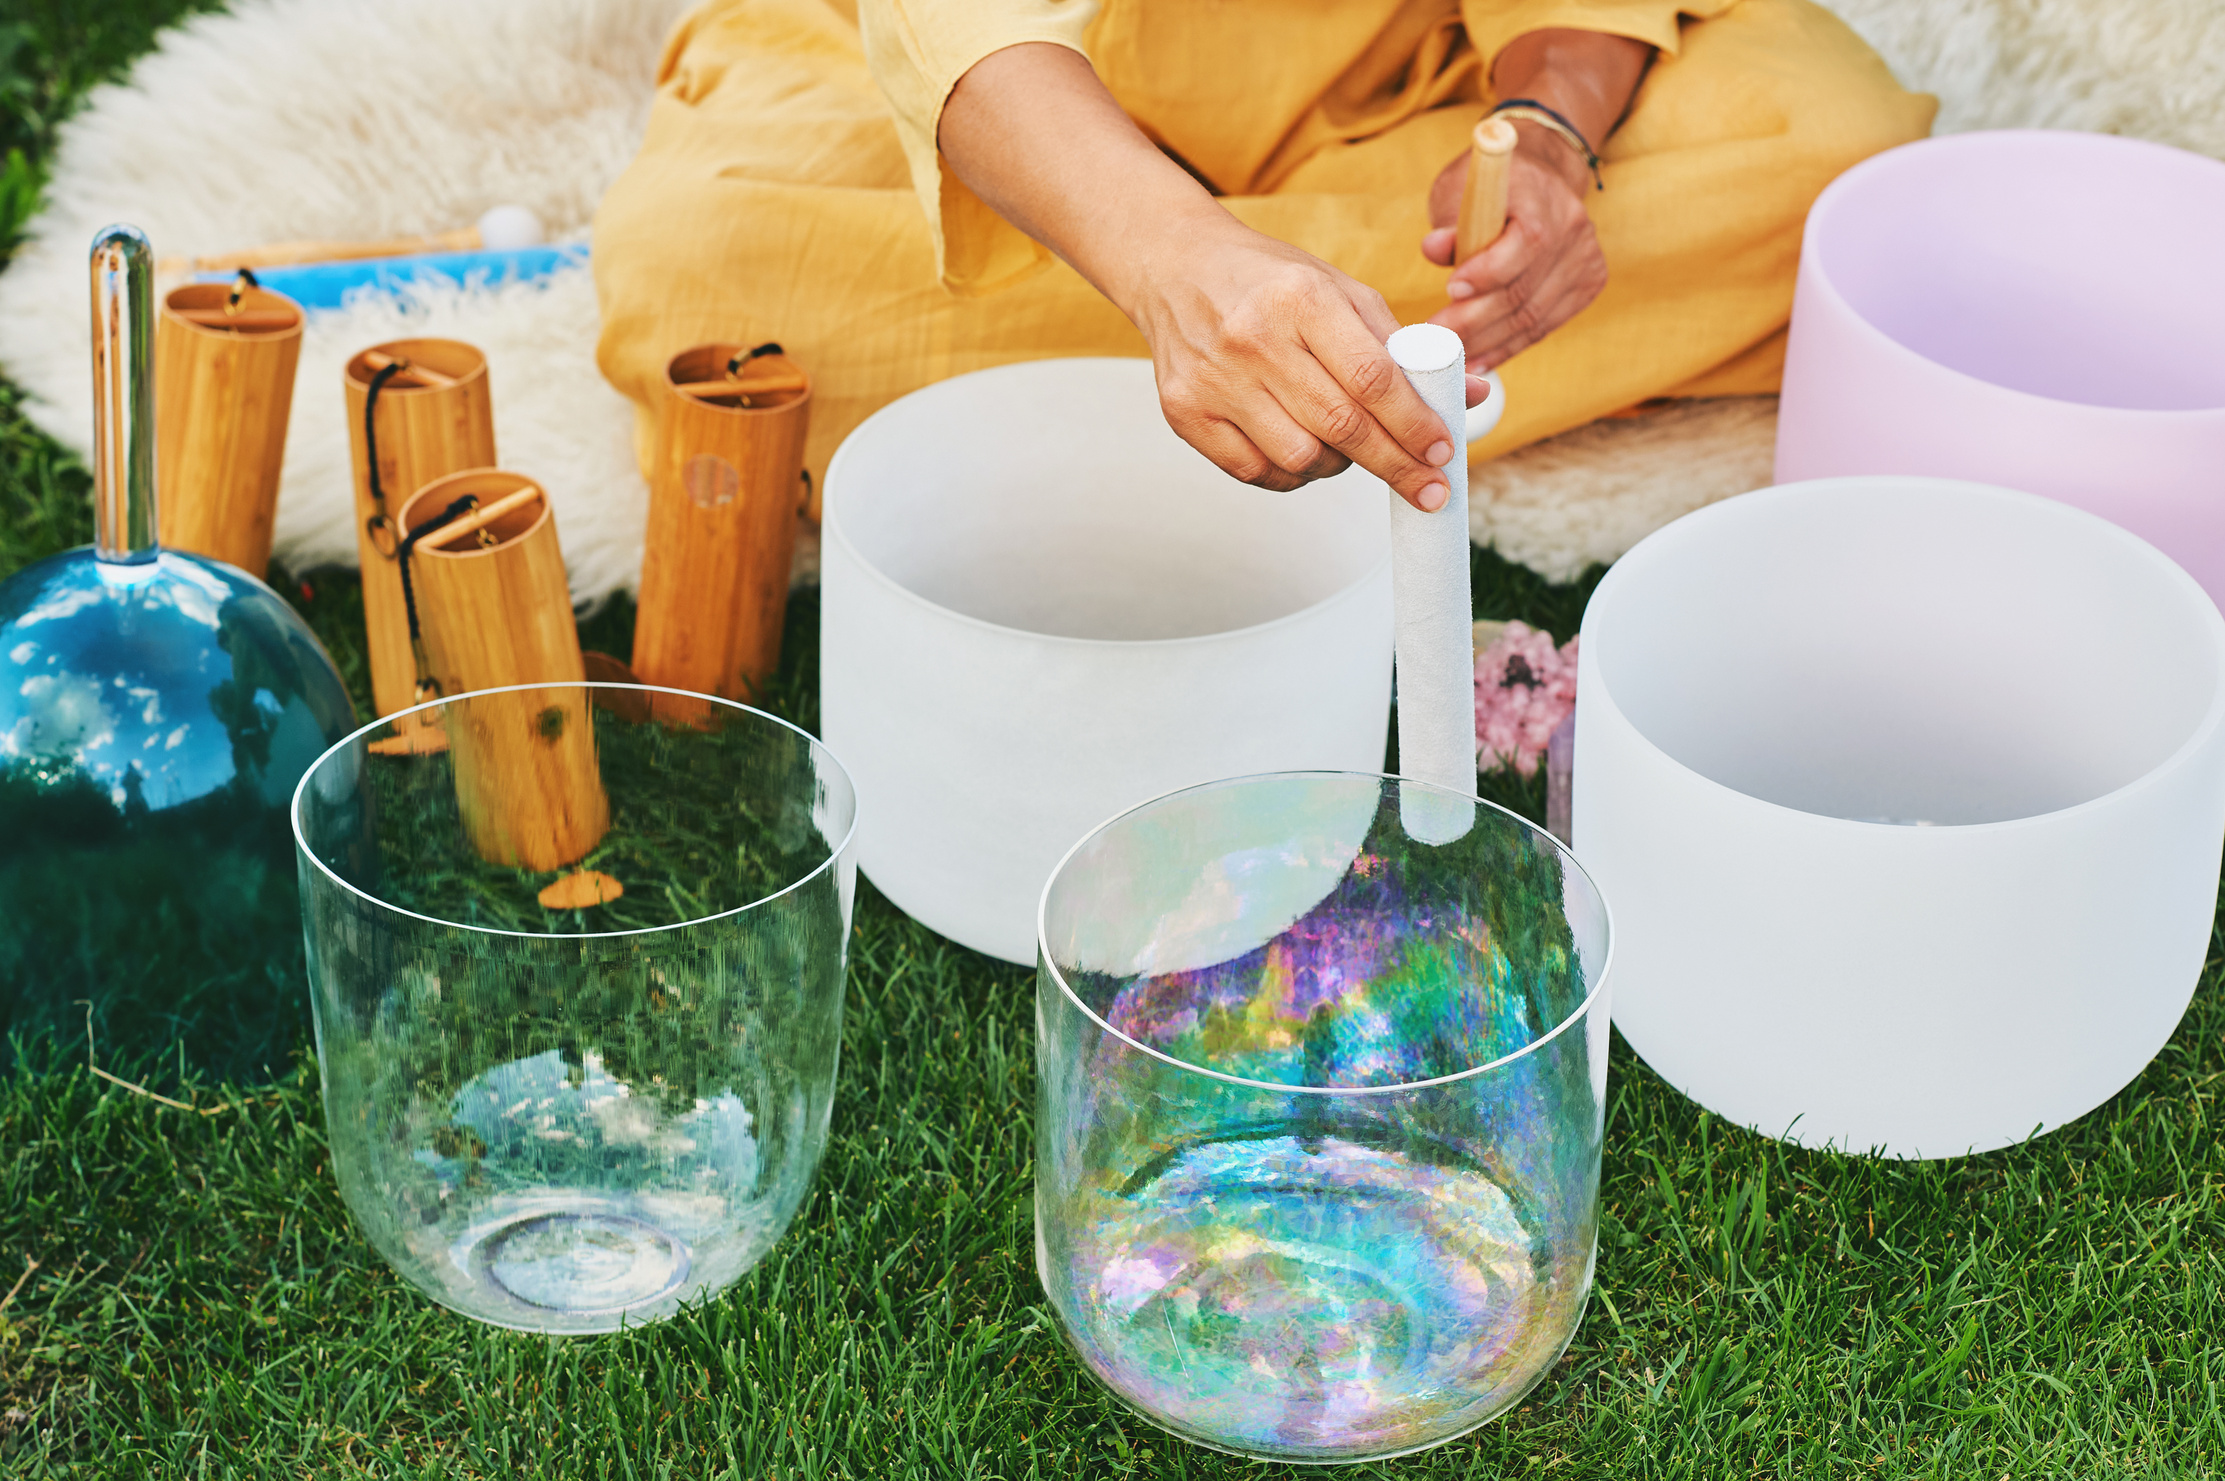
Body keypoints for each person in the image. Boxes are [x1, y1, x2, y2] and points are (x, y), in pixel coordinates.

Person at [594, 0, 1933, 516]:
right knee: (703, 281)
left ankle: (1273, 329)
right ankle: (1255, 320)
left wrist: (1545, 131)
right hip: (1002, 107)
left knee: (1836, 161)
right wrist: (1168, 252)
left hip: (1410, 68)